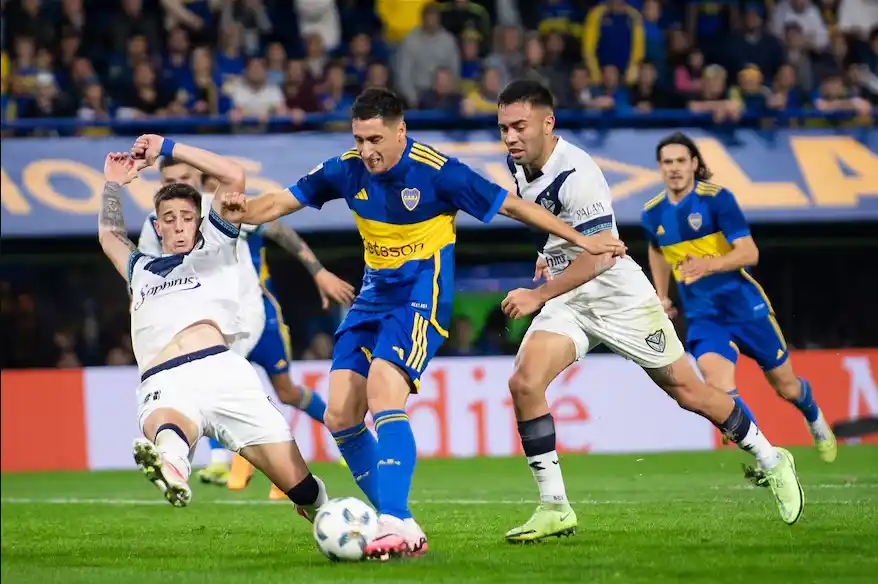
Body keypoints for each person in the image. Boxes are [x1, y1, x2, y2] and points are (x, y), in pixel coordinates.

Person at [238, 88, 627, 560]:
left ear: (401, 131)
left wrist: (584, 240)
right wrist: (233, 214)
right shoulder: (346, 168)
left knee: (383, 392)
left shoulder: (438, 171)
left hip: (421, 297)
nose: (367, 150)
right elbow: (280, 202)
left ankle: (394, 520)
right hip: (373, 297)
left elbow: (513, 206)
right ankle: (401, 526)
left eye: (376, 138)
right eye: (359, 138)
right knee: (340, 413)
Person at [494, 80, 805, 544]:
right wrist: (549, 253)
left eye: (519, 126)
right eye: (503, 129)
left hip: (618, 295)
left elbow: (601, 255)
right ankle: (555, 507)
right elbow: (560, 227)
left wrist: (539, 294)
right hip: (572, 297)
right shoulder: (519, 164)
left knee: (689, 392)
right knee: (524, 382)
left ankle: (770, 457)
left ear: (547, 122)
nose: (511, 138)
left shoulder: (578, 171)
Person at [96, 151, 328, 518]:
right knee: (167, 424)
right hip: (164, 378)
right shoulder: (140, 268)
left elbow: (234, 173)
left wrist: (165, 144)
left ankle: (323, 511)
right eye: (168, 220)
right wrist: (112, 183)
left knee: (302, 487)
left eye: (187, 218)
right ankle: (172, 467)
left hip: (223, 374)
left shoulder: (215, 250)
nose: (177, 226)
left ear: (199, 222)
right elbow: (109, 234)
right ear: (157, 227)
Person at [133, 137, 356, 497]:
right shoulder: (155, 225)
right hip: (206, 328)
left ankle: (340, 436)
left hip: (253, 316)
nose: (181, 184)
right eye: (171, 179)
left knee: (282, 391)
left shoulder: (218, 208)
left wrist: (317, 272)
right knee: (214, 389)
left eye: (188, 176)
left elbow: (278, 227)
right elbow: (146, 275)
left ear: (199, 178)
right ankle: (235, 466)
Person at [642, 131, 836, 462]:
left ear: (694, 164)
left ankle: (815, 418)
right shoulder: (652, 212)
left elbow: (749, 253)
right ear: (659, 167)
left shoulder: (717, 199)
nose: (674, 168)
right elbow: (657, 250)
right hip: (704, 316)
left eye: (680, 161)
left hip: (745, 307)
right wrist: (662, 294)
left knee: (786, 387)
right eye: (667, 162)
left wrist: (709, 264)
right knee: (718, 391)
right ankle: (770, 458)